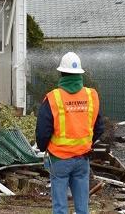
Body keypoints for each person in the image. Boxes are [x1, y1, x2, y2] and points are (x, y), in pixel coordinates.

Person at [36, 52, 104, 214]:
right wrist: (86, 143)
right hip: (82, 159)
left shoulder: (53, 98)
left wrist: (43, 147)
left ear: (61, 73)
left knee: (60, 208)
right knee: (82, 208)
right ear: (80, 74)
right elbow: (99, 127)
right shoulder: (91, 96)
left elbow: (42, 131)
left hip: (59, 160)